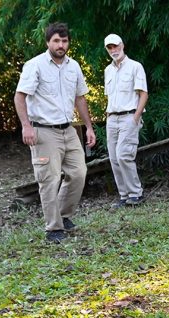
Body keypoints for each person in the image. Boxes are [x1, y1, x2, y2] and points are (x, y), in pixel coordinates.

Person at [14, 22, 96, 244]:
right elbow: (20, 96)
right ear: (48, 42)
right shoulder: (35, 65)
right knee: (48, 180)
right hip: (43, 131)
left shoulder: (74, 66)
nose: (61, 45)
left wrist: (88, 127)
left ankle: (64, 214)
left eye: (65, 41)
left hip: (68, 129)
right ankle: (53, 228)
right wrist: (26, 126)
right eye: (57, 41)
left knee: (79, 173)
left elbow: (80, 98)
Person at [103, 33, 148, 208]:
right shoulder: (108, 70)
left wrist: (136, 117)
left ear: (122, 45)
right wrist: (108, 117)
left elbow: (143, 93)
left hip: (129, 116)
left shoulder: (135, 67)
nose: (113, 50)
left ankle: (136, 193)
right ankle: (124, 195)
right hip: (112, 118)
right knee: (114, 158)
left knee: (124, 155)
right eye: (110, 47)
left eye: (115, 46)